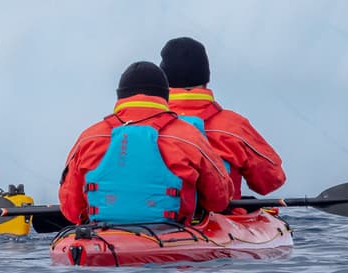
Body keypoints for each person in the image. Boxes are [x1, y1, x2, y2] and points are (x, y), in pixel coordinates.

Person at [58, 61, 233, 226]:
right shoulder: (189, 136)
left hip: (101, 237)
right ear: (165, 96)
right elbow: (219, 200)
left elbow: (71, 209)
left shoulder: (89, 137)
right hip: (173, 237)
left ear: (120, 97)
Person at [159, 36, 287, 199]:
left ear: (162, 81)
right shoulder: (233, 126)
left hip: (158, 213)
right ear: (206, 79)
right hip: (223, 212)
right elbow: (271, 180)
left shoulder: (144, 126)